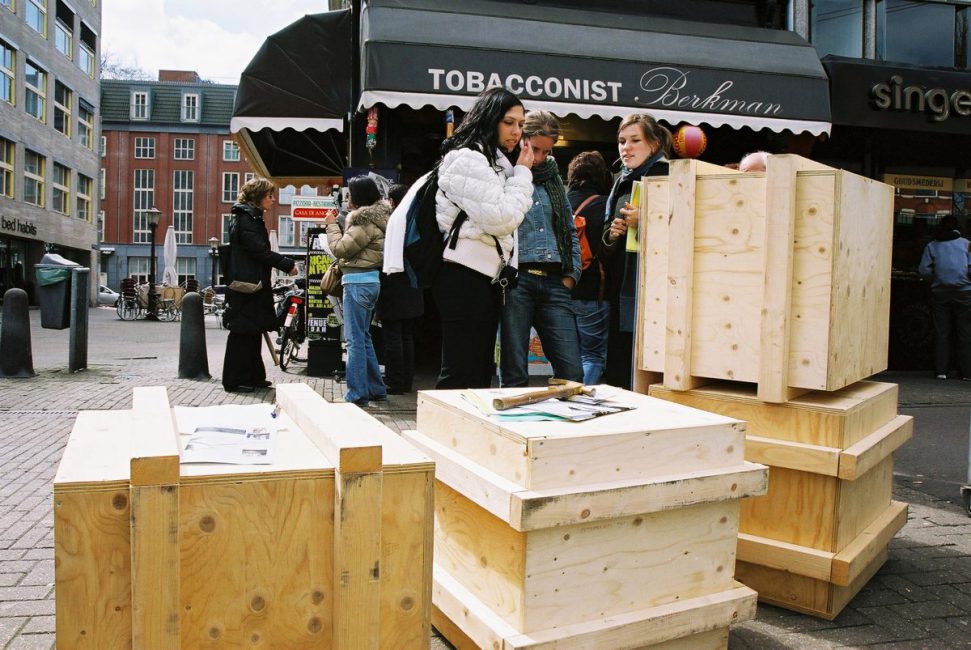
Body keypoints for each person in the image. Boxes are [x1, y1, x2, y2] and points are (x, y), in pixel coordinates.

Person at [433, 87, 535, 389]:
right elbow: (502, 218)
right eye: (509, 122)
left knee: (477, 372)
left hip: (483, 277)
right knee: (461, 370)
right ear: (489, 119)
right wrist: (523, 175)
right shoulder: (467, 159)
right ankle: (443, 433)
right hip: (463, 274)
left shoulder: (495, 163)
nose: (517, 131)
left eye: (520, 123)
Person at [499, 111, 582, 387]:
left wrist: (571, 276)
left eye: (546, 151)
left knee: (572, 371)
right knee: (514, 372)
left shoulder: (553, 178)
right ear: (521, 139)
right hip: (517, 280)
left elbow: (568, 229)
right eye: (535, 148)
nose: (540, 158)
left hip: (555, 280)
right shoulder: (503, 173)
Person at [601, 113, 672, 389]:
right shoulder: (620, 181)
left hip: (657, 293)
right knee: (620, 366)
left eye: (634, 140)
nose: (625, 148)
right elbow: (605, 242)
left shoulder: (668, 176)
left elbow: (684, 231)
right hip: (622, 292)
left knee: (648, 370)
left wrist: (646, 220)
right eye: (621, 141)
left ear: (653, 145)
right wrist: (613, 233)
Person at [222, 177, 297, 393]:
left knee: (252, 330)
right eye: (269, 196)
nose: (273, 200)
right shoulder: (246, 219)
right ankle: (236, 380)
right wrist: (286, 264)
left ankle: (253, 376)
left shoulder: (248, 217)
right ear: (258, 197)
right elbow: (258, 251)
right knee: (243, 331)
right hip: (248, 285)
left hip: (252, 283)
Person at [323, 176, 390, 406]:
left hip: (357, 283)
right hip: (370, 282)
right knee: (363, 338)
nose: (347, 198)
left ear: (359, 197)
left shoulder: (363, 222)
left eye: (350, 194)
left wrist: (332, 226)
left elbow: (340, 248)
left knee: (354, 341)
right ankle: (375, 388)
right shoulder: (376, 219)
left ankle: (356, 394)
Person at [566, 151, 613, 385]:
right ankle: (578, 404)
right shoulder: (605, 206)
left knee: (566, 357)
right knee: (592, 356)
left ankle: (565, 400)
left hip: (560, 291)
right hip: (593, 292)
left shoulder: (560, 202)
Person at [377, 183, 424, 394]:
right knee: (407, 336)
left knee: (393, 336)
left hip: (395, 285)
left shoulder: (395, 221)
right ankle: (406, 381)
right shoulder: (417, 217)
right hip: (414, 286)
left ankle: (395, 381)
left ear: (393, 201)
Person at [918, 214, 971, 380]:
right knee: (965, 332)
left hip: (940, 292)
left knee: (942, 332)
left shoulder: (932, 245)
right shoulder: (966, 244)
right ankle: (967, 372)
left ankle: (941, 371)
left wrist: (935, 279)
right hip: (964, 292)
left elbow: (924, 271)